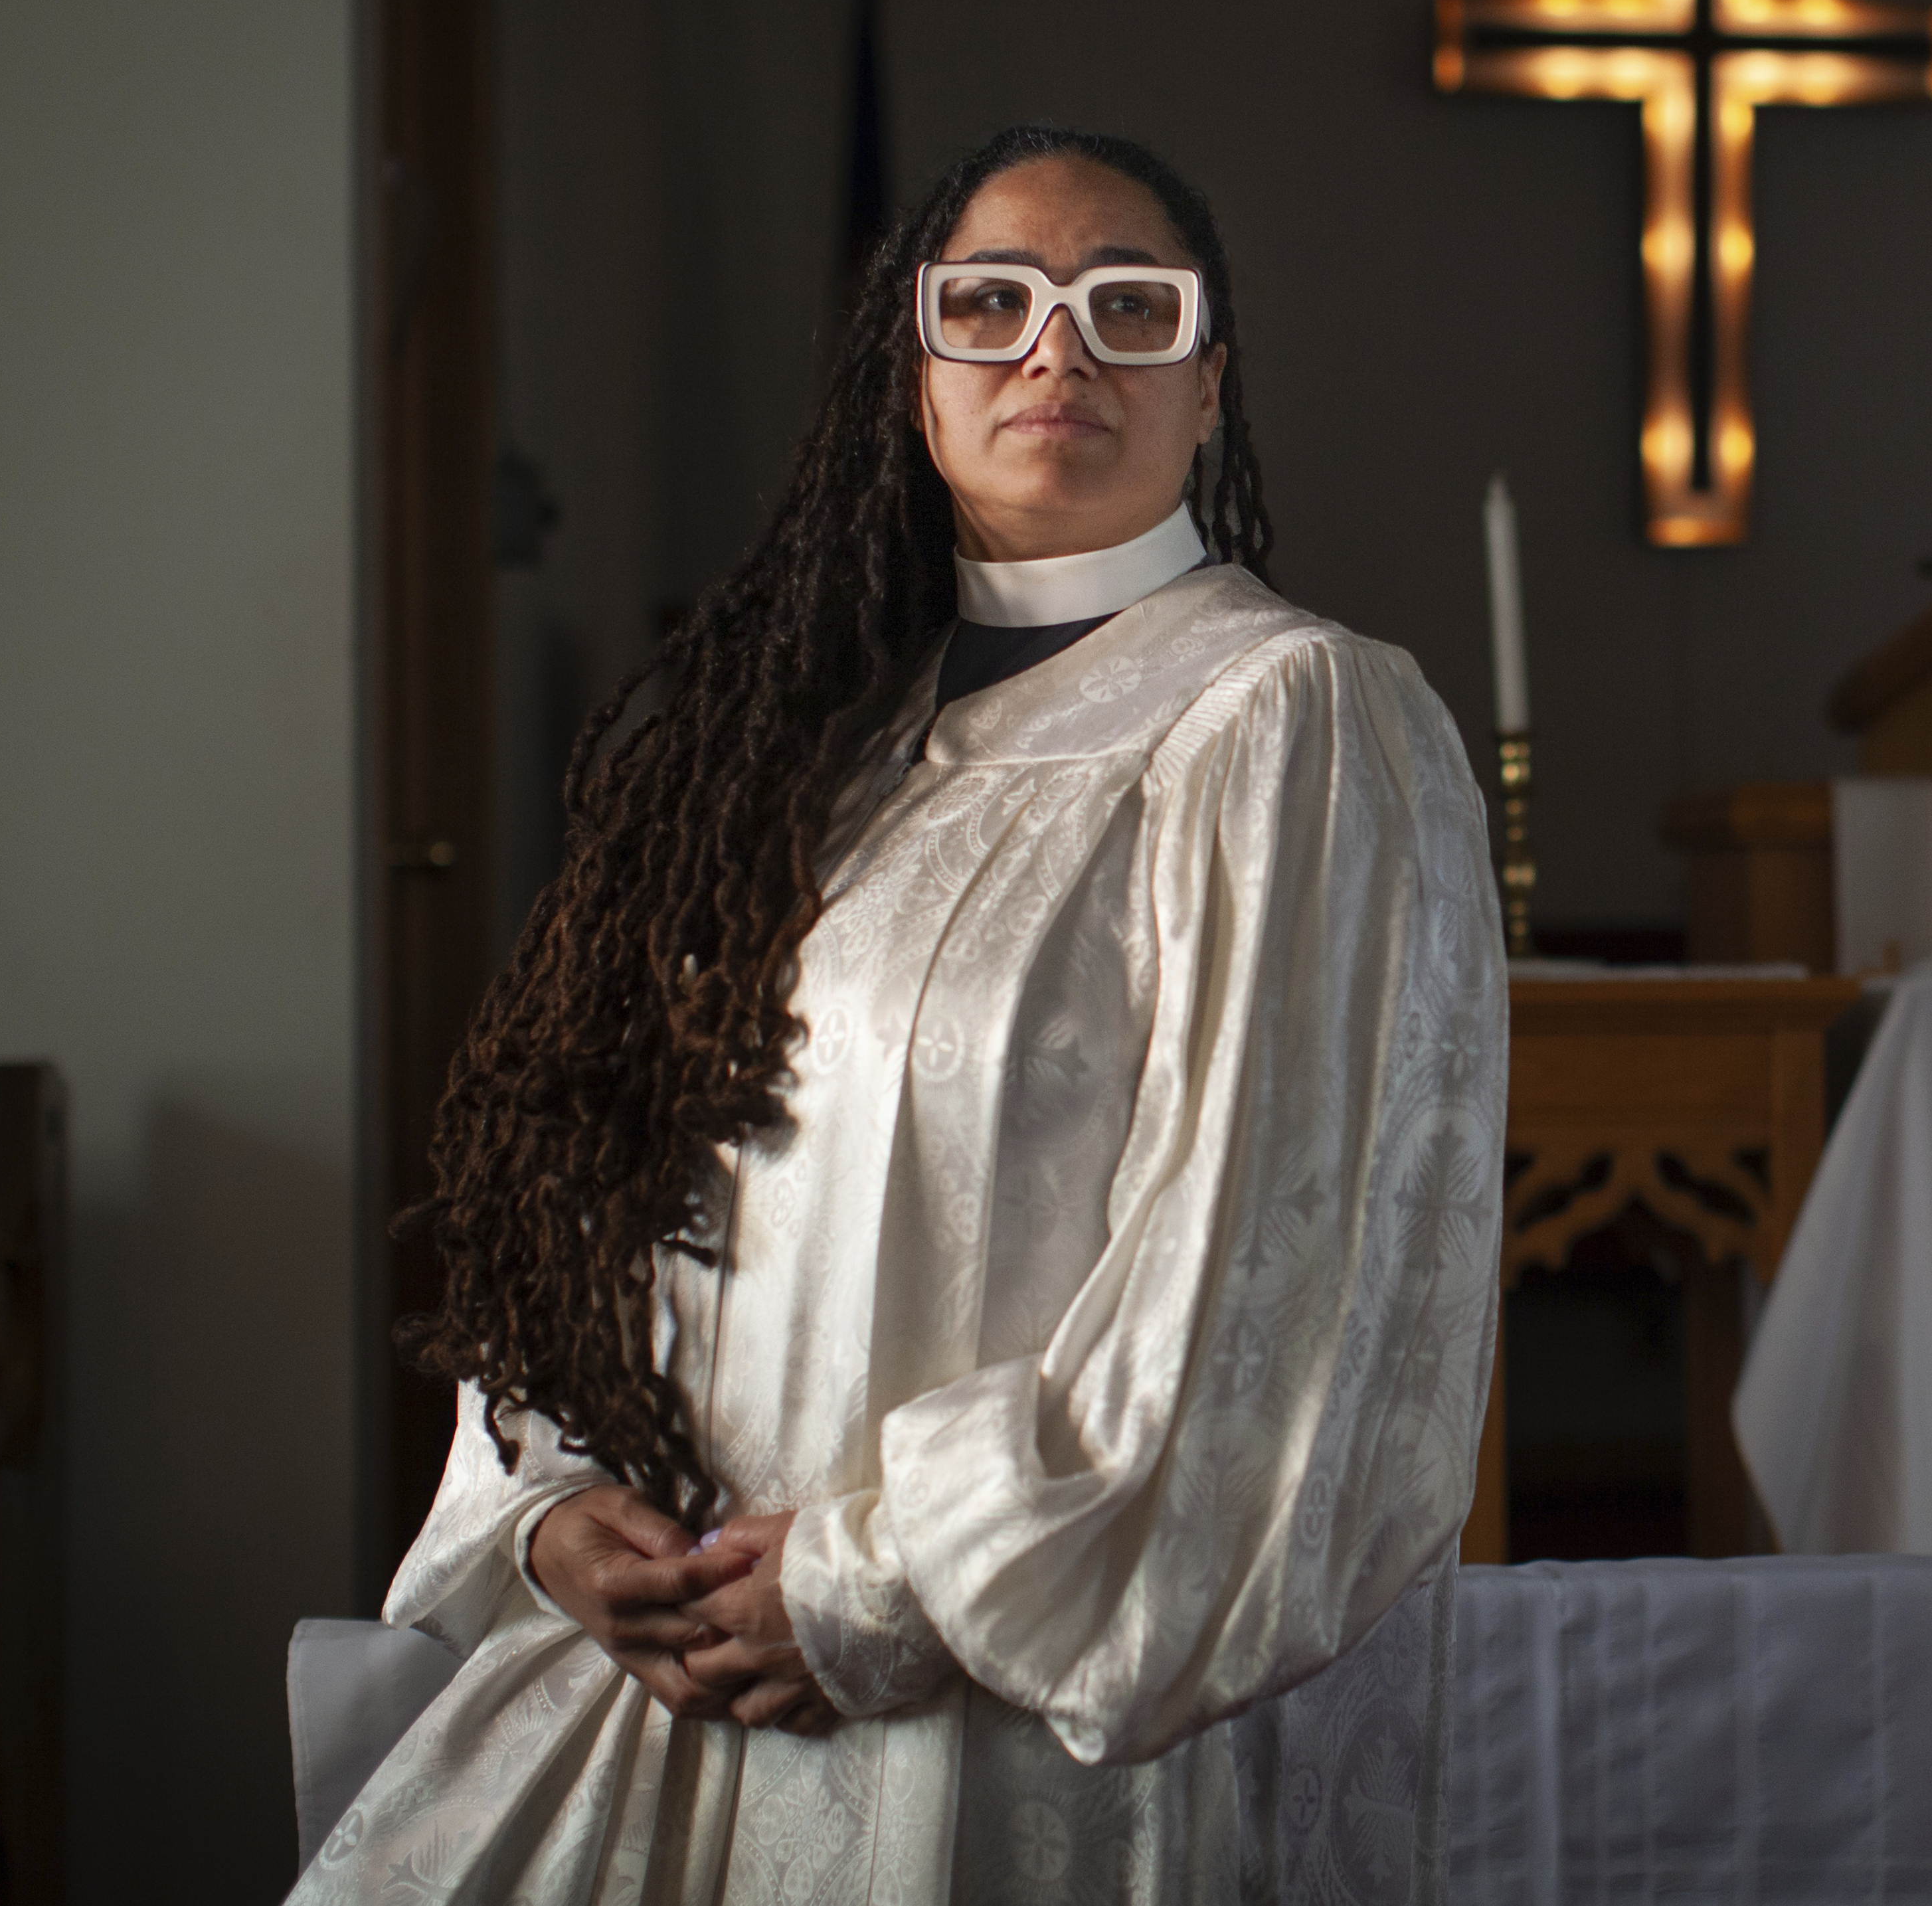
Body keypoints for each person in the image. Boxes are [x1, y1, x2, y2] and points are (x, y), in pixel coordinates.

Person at [294, 126, 1505, 1901]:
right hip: (666, 1682)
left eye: (1128, 306)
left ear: (1211, 383)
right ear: (913, 375)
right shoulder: (809, 757)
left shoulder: (1291, 722)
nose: (1058, 346)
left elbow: (1281, 1311)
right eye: (993, 300)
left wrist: (869, 1582)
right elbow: (606, 1167)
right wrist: (548, 1503)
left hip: (1007, 1741)